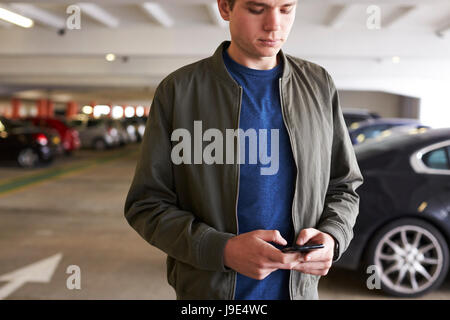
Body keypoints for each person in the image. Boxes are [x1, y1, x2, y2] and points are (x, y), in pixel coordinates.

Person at [124, 0, 363, 300]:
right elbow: (146, 204)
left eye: (286, 9)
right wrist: (222, 249)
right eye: (256, 9)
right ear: (225, 7)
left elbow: (344, 184)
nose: (274, 24)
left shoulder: (318, 86)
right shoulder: (179, 92)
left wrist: (332, 235)